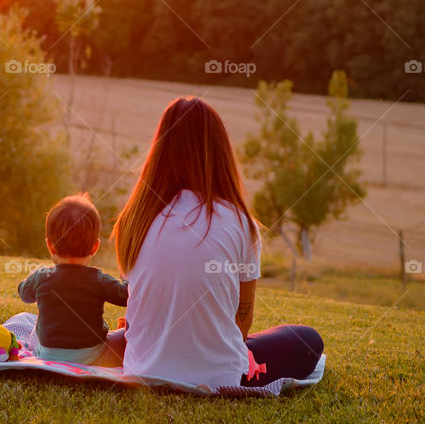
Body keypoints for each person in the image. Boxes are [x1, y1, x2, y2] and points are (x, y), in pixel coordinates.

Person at [111, 96, 323, 389]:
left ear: (158, 150)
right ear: (220, 152)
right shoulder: (240, 222)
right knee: (309, 340)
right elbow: (242, 323)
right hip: (221, 376)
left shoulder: (133, 219)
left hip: (143, 367)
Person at [17, 193, 128, 366]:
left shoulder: (42, 277)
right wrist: (127, 275)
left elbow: (23, 293)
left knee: (35, 328)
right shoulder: (98, 279)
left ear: (49, 245)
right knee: (125, 335)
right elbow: (125, 296)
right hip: (92, 357)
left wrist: (33, 276)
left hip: (47, 354)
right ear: (95, 247)